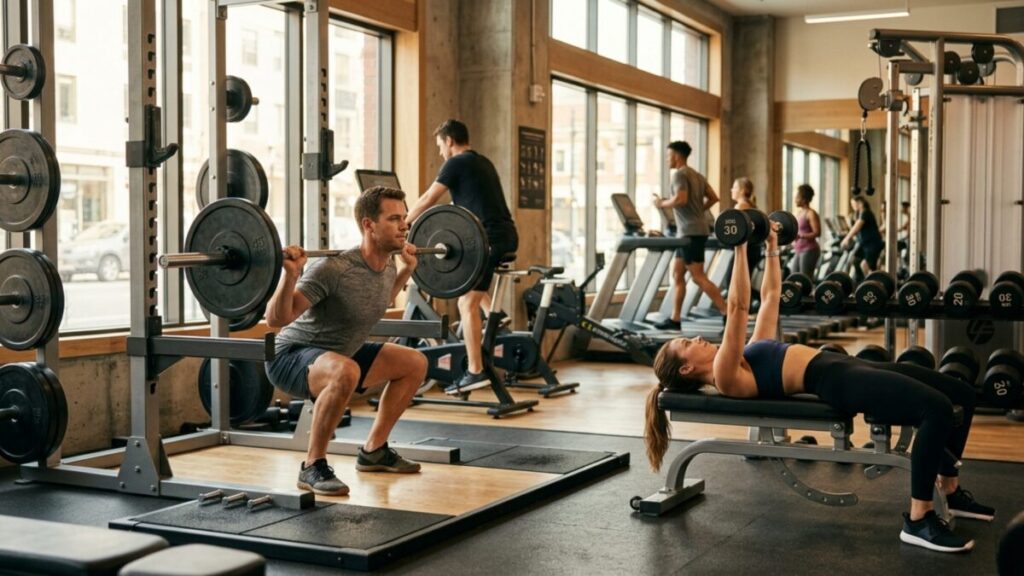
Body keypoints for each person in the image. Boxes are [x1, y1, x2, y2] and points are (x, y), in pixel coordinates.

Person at [644, 221, 995, 553]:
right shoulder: (725, 375)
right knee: (935, 408)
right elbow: (736, 307)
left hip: (850, 366)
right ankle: (919, 519)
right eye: (686, 343)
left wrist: (770, 247)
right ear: (687, 368)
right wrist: (738, 248)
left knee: (961, 393)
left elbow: (771, 297)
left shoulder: (744, 356)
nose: (696, 338)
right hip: (837, 381)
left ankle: (950, 490)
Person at [265, 186, 427, 496]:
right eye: (394, 219)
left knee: (414, 362)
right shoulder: (334, 269)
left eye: (404, 218)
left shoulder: (388, 263)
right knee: (346, 370)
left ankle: (374, 450)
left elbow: (377, 300)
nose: (404, 225)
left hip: (342, 353)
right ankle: (312, 466)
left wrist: (407, 270)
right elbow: (276, 319)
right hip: (290, 356)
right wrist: (290, 275)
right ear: (369, 224)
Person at [407, 119, 519, 395]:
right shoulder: (482, 162)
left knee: (465, 302)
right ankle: (495, 315)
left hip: (489, 240)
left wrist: (404, 223)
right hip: (505, 236)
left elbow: (429, 197)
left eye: (440, 146)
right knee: (469, 276)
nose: (440, 152)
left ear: (449, 141)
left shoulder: (455, 163)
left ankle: (475, 371)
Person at [651, 141, 728, 331]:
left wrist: (661, 203)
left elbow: (681, 199)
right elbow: (713, 198)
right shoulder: (697, 175)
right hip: (689, 232)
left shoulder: (680, 174)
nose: (667, 159)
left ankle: (727, 311)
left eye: (669, 155)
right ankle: (675, 319)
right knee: (677, 274)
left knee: (698, 277)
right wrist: (698, 211)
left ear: (677, 156)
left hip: (690, 233)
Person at [841, 195, 883, 283]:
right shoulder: (861, 213)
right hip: (866, 244)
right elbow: (857, 229)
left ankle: (873, 284)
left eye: (853, 204)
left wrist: (847, 238)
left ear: (860, 203)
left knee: (864, 265)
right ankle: (861, 282)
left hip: (872, 244)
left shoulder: (865, 213)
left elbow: (857, 227)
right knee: (855, 260)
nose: (852, 207)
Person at [791, 184, 821, 277]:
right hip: (798, 249)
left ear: (804, 200)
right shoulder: (799, 213)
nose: (795, 200)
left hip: (809, 250)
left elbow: (817, 233)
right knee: (793, 275)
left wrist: (800, 236)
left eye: (797, 197)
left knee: (805, 278)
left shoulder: (811, 213)